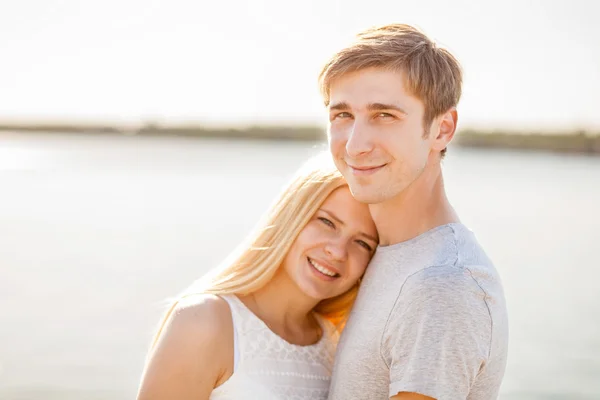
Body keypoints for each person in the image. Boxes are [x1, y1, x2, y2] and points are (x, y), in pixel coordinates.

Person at [319, 24, 509, 399]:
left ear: (442, 129)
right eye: (342, 115)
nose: (355, 146)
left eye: (384, 115)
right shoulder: (379, 253)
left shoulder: (442, 285)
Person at [136, 153, 379, 400]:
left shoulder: (337, 345)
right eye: (327, 222)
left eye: (362, 243)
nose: (338, 251)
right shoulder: (204, 320)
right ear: (291, 216)